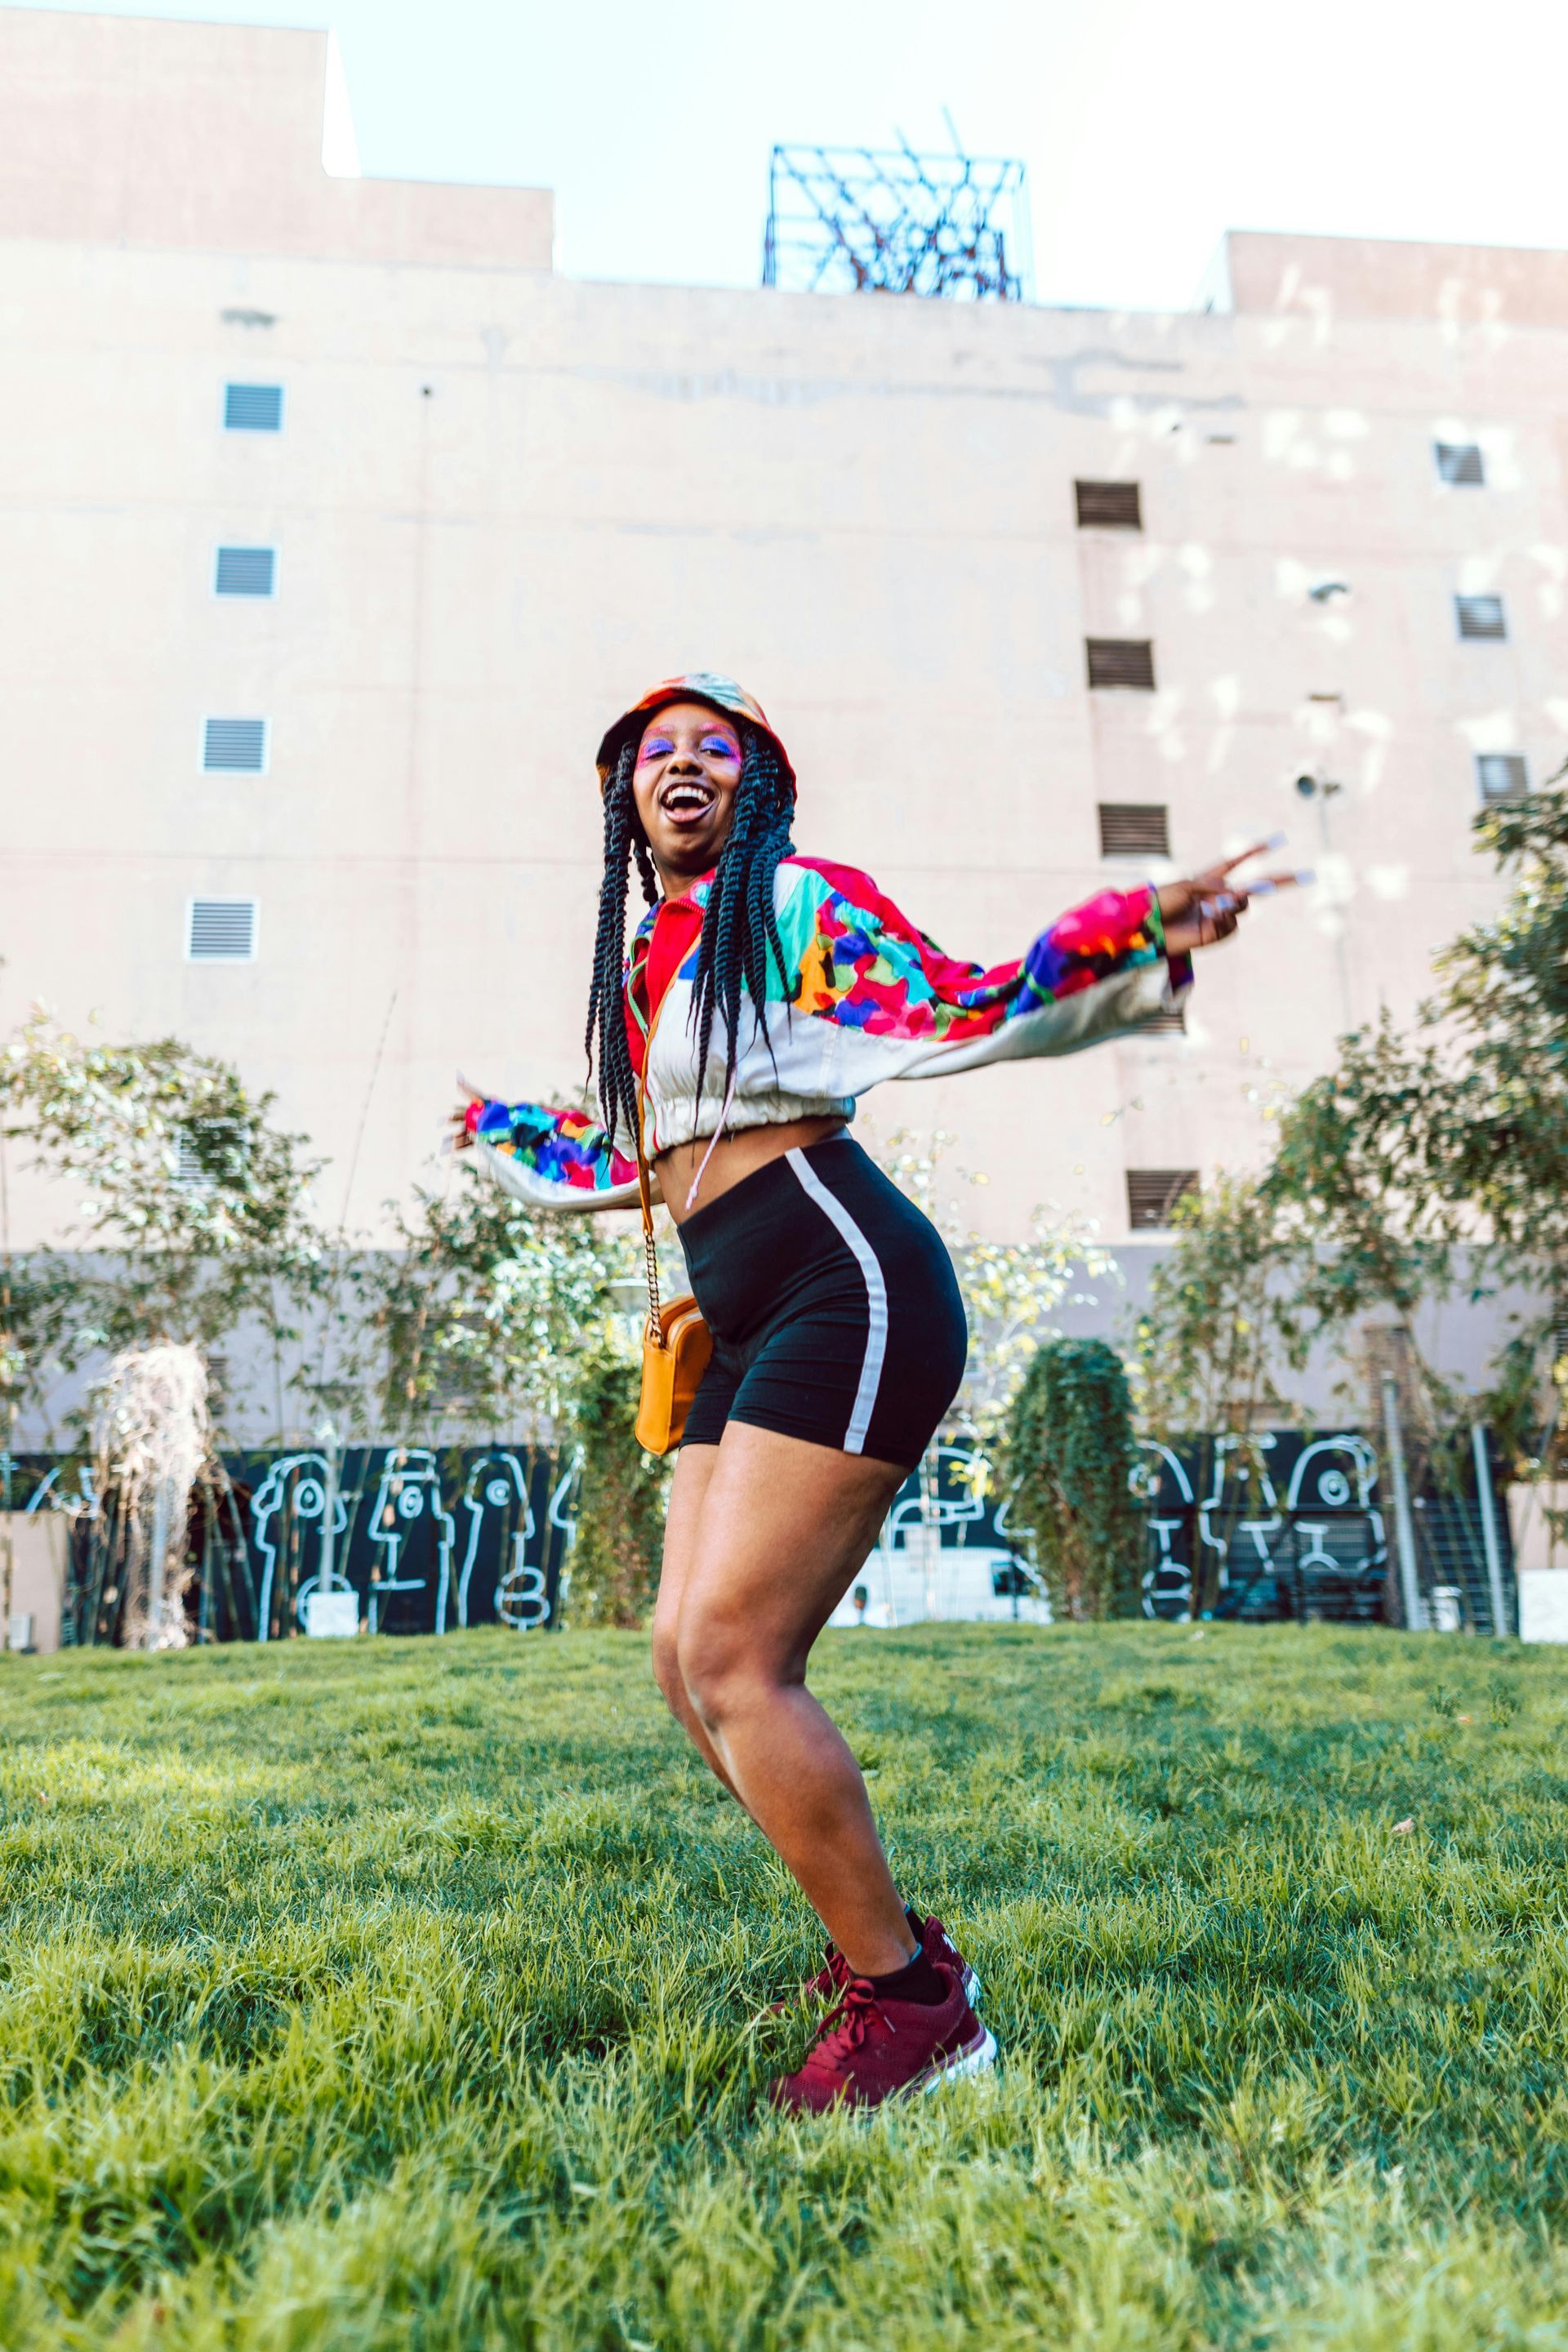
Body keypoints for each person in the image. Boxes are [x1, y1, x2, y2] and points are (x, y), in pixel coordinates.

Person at [452, 672, 1285, 2112]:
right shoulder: (652, 961)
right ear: (624, 799)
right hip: (740, 1312)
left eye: (719, 749)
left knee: (734, 1657)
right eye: (658, 754)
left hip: (850, 1282)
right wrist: (491, 1129)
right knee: (680, 1666)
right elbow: (630, 1163)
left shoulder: (793, 906)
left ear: (759, 784)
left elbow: (960, 1003)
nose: (686, 767)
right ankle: (876, 1954)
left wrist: (1136, 933)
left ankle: (916, 2013)